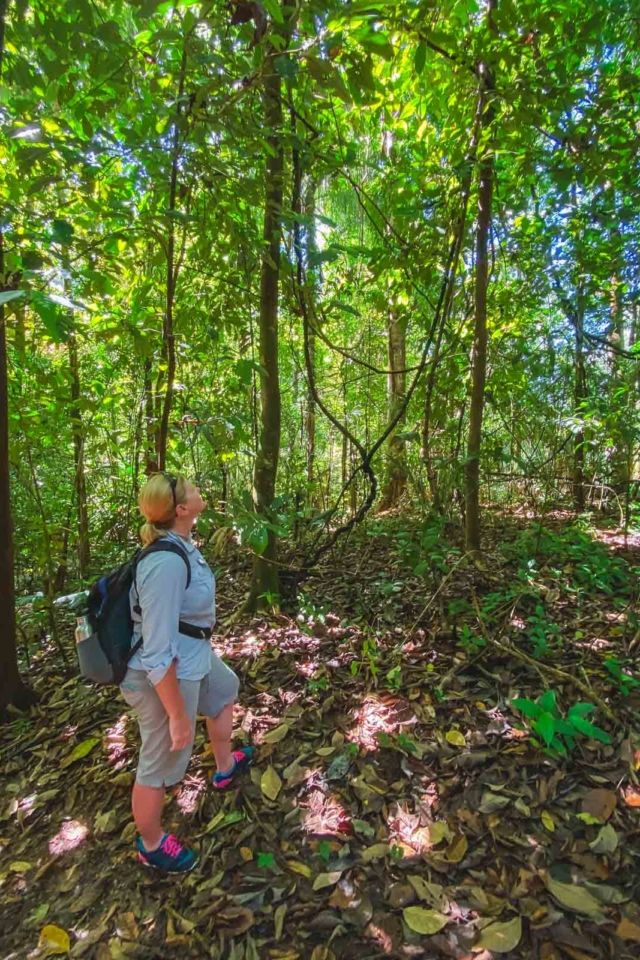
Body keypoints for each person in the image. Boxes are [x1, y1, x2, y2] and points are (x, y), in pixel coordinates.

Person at [120, 472, 252, 873]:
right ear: (180, 509)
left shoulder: (182, 544)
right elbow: (156, 653)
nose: (200, 491)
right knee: (159, 763)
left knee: (225, 689)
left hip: (193, 654)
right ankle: (152, 844)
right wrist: (177, 714)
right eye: (193, 490)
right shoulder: (164, 564)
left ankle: (224, 767)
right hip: (160, 675)